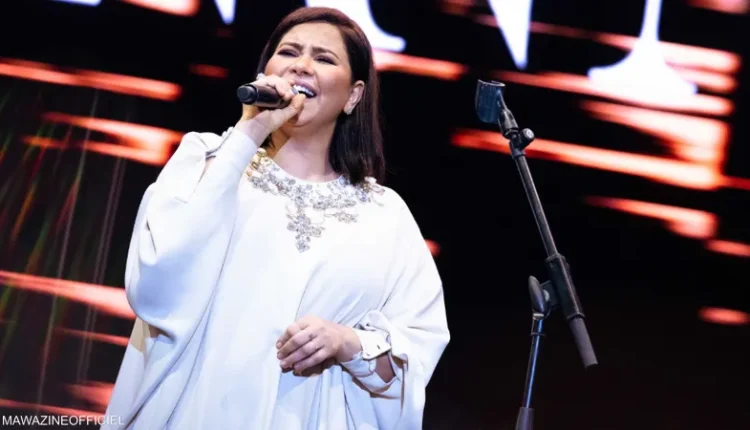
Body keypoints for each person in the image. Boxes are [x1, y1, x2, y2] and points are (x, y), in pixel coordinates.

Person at [104, 6, 450, 430]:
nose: (301, 65)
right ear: (265, 72)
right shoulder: (206, 161)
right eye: (288, 52)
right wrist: (250, 132)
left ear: (353, 95)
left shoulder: (384, 216)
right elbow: (157, 283)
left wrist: (348, 342)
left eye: (324, 58)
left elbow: (413, 357)